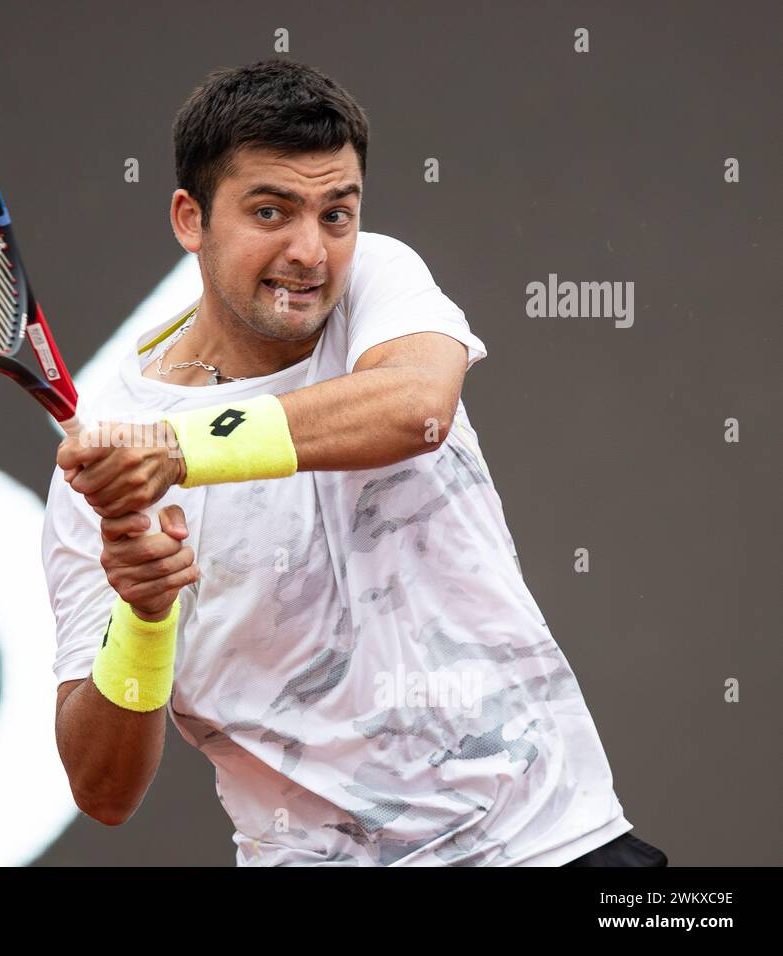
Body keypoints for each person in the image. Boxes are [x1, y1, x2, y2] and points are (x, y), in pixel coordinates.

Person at [43, 58, 664, 867]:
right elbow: (104, 792)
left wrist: (180, 449)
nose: (311, 251)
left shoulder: (378, 277)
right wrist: (145, 615)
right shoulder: (99, 479)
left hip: (553, 845)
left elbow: (417, 408)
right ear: (190, 219)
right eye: (271, 211)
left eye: (337, 214)